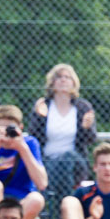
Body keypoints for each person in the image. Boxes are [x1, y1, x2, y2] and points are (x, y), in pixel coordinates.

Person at [28, 63, 97, 200]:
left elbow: (91, 139)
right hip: (47, 161)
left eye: (67, 77)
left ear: (73, 82)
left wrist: (86, 128)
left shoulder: (82, 107)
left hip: (75, 163)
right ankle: (66, 204)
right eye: (59, 77)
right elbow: (34, 137)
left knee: (67, 158)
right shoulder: (44, 106)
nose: (63, 80)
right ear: (52, 82)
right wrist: (39, 117)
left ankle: (52, 204)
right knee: (58, 167)